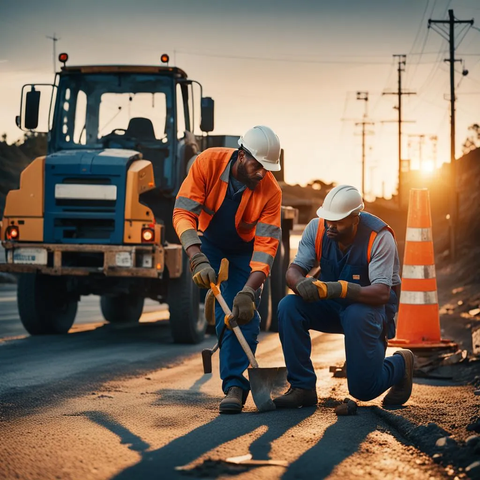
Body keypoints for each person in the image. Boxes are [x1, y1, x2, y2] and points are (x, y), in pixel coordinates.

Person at [173, 125, 283, 414]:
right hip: (207, 243)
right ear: (241, 155)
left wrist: (250, 289)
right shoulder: (206, 163)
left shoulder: (270, 191)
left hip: (244, 251)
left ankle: (235, 387)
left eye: (267, 168)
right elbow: (183, 213)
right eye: (257, 165)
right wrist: (196, 257)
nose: (262, 173)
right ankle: (233, 382)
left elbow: (266, 248)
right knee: (223, 313)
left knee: (241, 313)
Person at [273, 185, 414, 408]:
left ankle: (400, 364)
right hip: (333, 307)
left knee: (363, 390)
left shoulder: (379, 238)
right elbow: (293, 270)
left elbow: (381, 293)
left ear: (355, 219)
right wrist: (300, 283)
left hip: (368, 311)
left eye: (338, 221)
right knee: (289, 305)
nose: (330, 225)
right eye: (328, 218)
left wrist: (340, 289)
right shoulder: (318, 229)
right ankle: (302, 387)